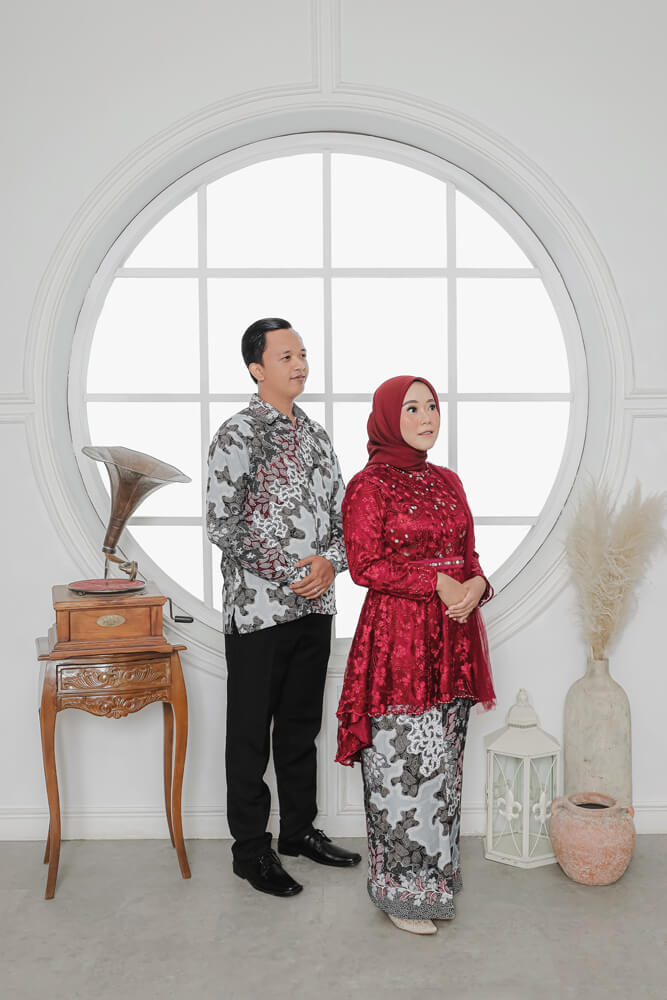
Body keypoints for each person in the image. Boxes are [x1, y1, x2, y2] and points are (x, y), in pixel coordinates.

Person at [206, 317, 361, 898]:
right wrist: (294, 571)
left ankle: (298, 832)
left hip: (316, 608)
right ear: (256, 368)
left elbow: (345, 520)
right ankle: (251, 851)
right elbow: (223, 525)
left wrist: (330, 564)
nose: (299, 364)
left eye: (303, 354)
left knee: (301, 729)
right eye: (285, 356)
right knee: (249, 736)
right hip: (258, 613)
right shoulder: (238, 434)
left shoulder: (317, 436)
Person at [335, 375, 495, 934]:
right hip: (399, 642)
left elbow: (469, 555)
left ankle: (438, 879)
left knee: (444, 762)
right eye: (412, 408)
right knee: (403, 764)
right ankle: (402, 893)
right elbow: (365, 565)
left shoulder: (448, 481)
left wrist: (476, 585)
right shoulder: (369, 486)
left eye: (432, 406)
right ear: (387, 417)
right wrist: (437, 583)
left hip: (453, 640)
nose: (427, 417)